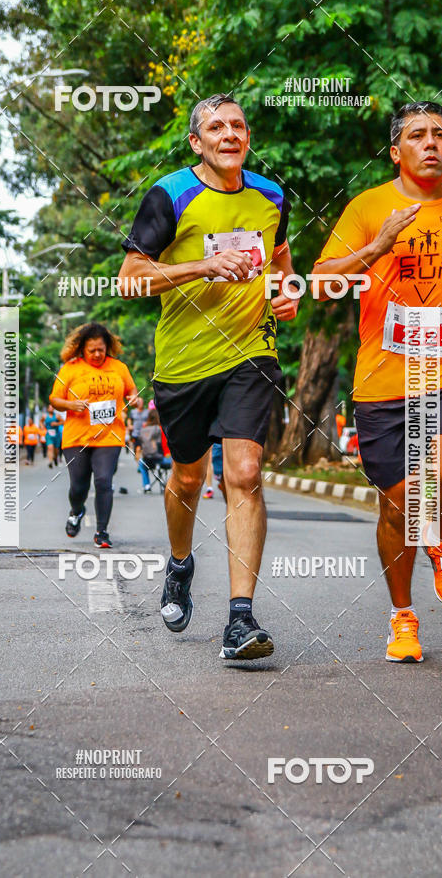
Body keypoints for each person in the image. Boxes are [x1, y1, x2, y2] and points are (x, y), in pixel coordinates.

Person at [313, 101, 442, 663]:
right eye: (418, 135)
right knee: (398, 510)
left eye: (440, 134)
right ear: (396, 152)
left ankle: (441, 537)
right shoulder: (368, 206)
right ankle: (403, 616)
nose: (431, 143)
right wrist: (377, 247)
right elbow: (322, 284)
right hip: (386, 380)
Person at [119, 92, 298, 660]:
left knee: (244, 473)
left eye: (238, 125)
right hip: (184, 363)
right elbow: (130, 278)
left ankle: (240, 619)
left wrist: (287, 291)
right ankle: (179, 564)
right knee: (189, 478)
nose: (230, 134)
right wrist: (202, 265)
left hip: (251, 354)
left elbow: (281, 261)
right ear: (197, 142)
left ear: (247, 137)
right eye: (216, 128)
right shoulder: (170, 195)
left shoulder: (271, 196)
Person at [49, 322, 137, 548]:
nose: (97, 354)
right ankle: (77, 510)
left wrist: (135, 399)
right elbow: (54, 399)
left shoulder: (119, 367)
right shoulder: (70, 369)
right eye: (92, 350)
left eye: (101, 349)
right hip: (76, 437)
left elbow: (131, 390)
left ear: (107, 347)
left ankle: (102, 532)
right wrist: (71, 405)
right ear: (82, 349)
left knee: (104, 480)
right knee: (79, 486)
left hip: (110, 435)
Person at [137, 409, 172, 492]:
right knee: (175, 463)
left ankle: (147, 485)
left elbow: (141, 445)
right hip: (162, 459)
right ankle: (168, 484)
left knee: (141, 463)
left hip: (148, 460)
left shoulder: (145, 429)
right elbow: (165, 446)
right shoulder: (161, 429)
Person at [45, 403, 62, 468]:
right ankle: (50, 462)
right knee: (50, 447)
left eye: (52, 408)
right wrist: (41, 425)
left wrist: (56, 424)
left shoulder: (57, 416)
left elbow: (63, 422)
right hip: (49, 435)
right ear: (47, 409)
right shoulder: (44, 416)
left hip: (56, 435)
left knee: (56, 450)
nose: (51, 409)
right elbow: (41, 421)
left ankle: (55, 458)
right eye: (50, 408)